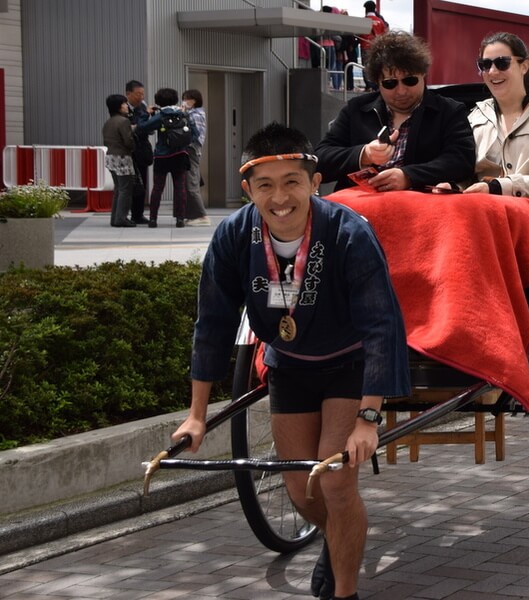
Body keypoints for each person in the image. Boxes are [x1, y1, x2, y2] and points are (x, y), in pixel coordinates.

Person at [173, 123, 409, 600]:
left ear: (314, 182)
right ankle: (341, 537)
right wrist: (197, 415)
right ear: (248, 190)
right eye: (265, 185)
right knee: (303, 493)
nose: (280, 197)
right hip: (289, 364)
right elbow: (213, 324)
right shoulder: (234, 235)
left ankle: (345, 591)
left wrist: (368, 417)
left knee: (337, 485)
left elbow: (381, 326)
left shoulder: (348, 233)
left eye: (291, 182)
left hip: (348, 363)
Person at [315, 31, 474, 192]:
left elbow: (462, 161)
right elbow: (319, 161)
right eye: (390, 83)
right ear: (377, 82)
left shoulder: (449, 111)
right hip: (358, 210)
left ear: (423, 74)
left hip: (418, 206)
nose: (401, 91)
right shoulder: (356, 109)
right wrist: (364, 154)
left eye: (410, 80)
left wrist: (409, 176)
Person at [457, 32, 529, 211]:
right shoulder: (475, 117)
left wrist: (496, 187)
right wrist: (453, 186)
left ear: (524, 66)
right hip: (482, 210)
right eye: (485, 65)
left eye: (502, 63)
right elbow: (464, 173)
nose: (493, 71)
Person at [137, 87, 195, 228]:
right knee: (180, 188)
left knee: (157, 188)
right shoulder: (183, 114)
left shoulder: (161, 115)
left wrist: (146, 114)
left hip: (162, 156)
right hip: (181, 155)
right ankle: (180, 219)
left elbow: (142, 127)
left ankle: (153, 219)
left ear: (158, 101)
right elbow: (193, 132)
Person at [101, 94, 137, 228]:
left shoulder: (109, 122)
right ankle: (121, 218)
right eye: (124, 104)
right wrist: (134, 143)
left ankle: (115, 218)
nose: (127, 106)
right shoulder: (123, 121)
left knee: (118, 189)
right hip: (122, 157)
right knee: (125, 189)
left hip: (110, 157)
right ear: (118, 106)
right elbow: (128, 142)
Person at [181, 89, 210, 226]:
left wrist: (183, 114)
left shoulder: (196, 114)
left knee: (191, 183)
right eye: (184, 98)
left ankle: (201, 215)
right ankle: (193, 215)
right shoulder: (193, 113)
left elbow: (195, 135)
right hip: (192, 150)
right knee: (190, 182)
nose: (185, 101)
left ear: (195, 100)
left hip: (192, 150)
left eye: (188, 99)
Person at [125, 80, 152, 224]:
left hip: (141, 149)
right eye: (138, 94)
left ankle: (138, 214)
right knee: (127, 184)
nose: (141, 97)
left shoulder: (143, 106)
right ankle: (123, 214)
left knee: (142, 182)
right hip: (128, 150)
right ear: (128, 94)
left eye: (142, 93)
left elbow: (147, 126)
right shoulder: (122, 107)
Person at [358, 1, 388, 91]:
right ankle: (376, 85)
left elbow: (360, 34)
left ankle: (369, 85)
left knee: (365, 66)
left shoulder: (364, 20)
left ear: (366, 9)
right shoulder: (380, 21)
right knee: (377, 66)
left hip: (365, 46)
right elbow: (384, 35)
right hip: (377, 47)